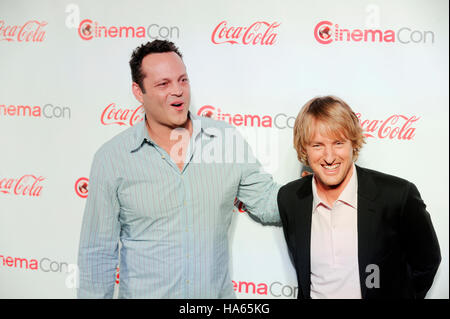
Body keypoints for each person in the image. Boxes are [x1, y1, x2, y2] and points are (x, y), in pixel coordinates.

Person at [77, 40, 280, 298]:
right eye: (163, 84)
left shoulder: (225, 141)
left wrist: (323, 183)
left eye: (183, 80)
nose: (178, 91)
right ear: (138, 92)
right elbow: (97, 254)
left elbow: (267, 203)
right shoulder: (112, 158)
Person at [277, 95, 441, 299]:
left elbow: (427, 263)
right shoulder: (290, 198)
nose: (329, 157)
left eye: (338, 143)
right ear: (304, 149)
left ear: (353, 143)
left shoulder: (397, 196)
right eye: (317, 145)